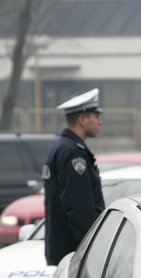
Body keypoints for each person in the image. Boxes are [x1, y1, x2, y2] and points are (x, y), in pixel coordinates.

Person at [43, 88, 105, 266]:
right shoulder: (73, 153)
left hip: (66, 248)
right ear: (83, 120)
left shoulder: (63, 147)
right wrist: (90, 246)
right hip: (74, 250)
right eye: (96, 116)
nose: (100, 122)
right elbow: (78, 207)